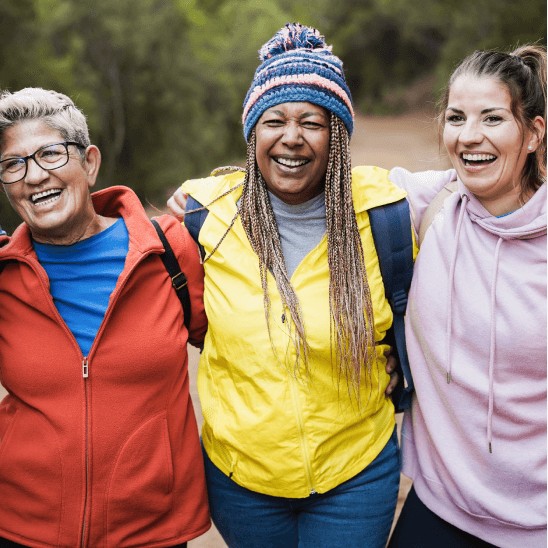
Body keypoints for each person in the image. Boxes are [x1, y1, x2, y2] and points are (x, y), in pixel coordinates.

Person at [168, 23, 407, 548]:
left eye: (312, 122)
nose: (291, 137)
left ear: (337, 135)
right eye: (273, 120)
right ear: (253, 134)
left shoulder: (385, 214)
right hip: (241, 481)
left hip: (355, 473)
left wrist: (397, 358)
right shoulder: (204, 220)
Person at [0, 88, 210, 547]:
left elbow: (237, 344)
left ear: (90, 163)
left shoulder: (168, 250)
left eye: (51, 154)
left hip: (151, 529)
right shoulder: (3, 274)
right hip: (21, 527)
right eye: (14, 164)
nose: (35, 176)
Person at [388, 45, 546, 547]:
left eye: (493, 118)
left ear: (534, 134)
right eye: (456, 117)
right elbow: (313, 186)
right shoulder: (431, 203)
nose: (469, 135)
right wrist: (212, 196)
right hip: (439, 507)